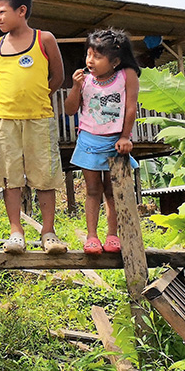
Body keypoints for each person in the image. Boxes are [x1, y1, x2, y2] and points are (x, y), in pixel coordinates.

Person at [0, 0, 67, 254]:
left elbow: (57, 77)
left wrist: (38, 98)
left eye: (1, 12)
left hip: (39, 119)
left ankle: (48, 232)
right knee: (11, 178)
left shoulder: (44, 39)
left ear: (21, 11)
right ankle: (15, 231)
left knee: (44, 176)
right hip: (5, 121)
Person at [63, 29, 141, 255]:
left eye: (97, 56)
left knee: (112, 190)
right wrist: (76, 86)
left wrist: (126, 136)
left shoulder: (126, 75)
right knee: (92, 190)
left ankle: (112, 234)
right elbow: (70, 110)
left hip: (115, 141)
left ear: (115, 61)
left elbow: (130, 107)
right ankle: (92, 236)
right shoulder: (85, 80)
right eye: (88, 54)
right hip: (89, 140)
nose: (90, 61)